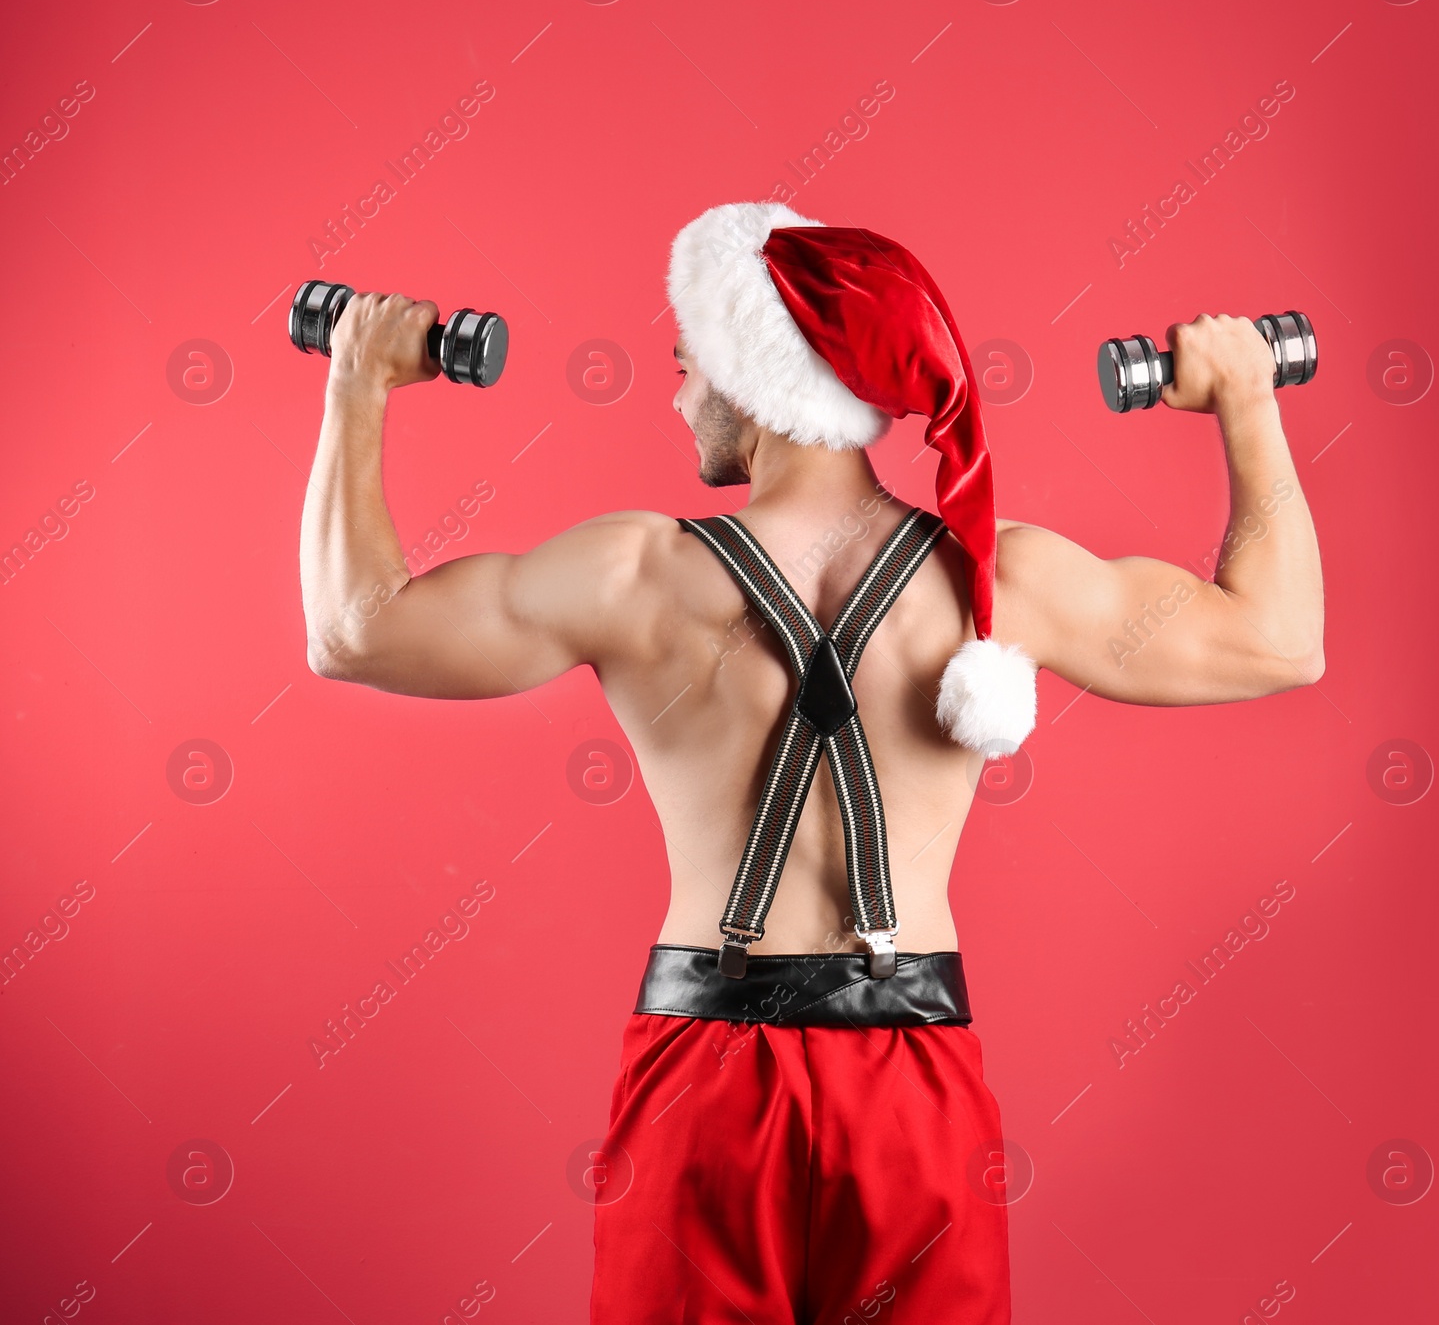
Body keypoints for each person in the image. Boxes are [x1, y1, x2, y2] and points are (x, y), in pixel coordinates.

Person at [299, 203, 1324, 1324]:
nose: (678, 394)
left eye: (687, 365)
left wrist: (357, 383)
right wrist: (1244, 399)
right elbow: (1276, 640)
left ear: (748, 378)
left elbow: (356, 632)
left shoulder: (636, 574)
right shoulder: (999, 582)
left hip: (705, 1081)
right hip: (915, 1093)